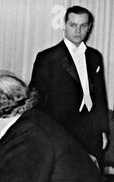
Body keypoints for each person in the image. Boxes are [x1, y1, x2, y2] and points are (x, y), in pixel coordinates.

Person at [30, 5, 109, 170]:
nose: (78, 30)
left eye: (83, 26)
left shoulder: (95, 57)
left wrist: (103, 131)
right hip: (62, 131)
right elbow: (36, 100)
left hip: (91, 132)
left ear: (89, 27)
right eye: (73, 25)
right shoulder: (48, 57)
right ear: (64, 25)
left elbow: (100, 96)